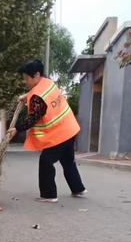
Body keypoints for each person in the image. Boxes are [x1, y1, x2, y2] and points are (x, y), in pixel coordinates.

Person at [8, 59, 87, 203]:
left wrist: (16, 129)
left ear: (36, 75)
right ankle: (78, 189)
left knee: (46, 161)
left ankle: (49, 195)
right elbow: (41, 94)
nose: (25, 82)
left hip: (59, 134)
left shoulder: (37, 97)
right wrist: (26, 96)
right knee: (68, 161)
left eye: (26, 78)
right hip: (70, 128)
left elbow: (33, 118)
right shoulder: (48, 83)